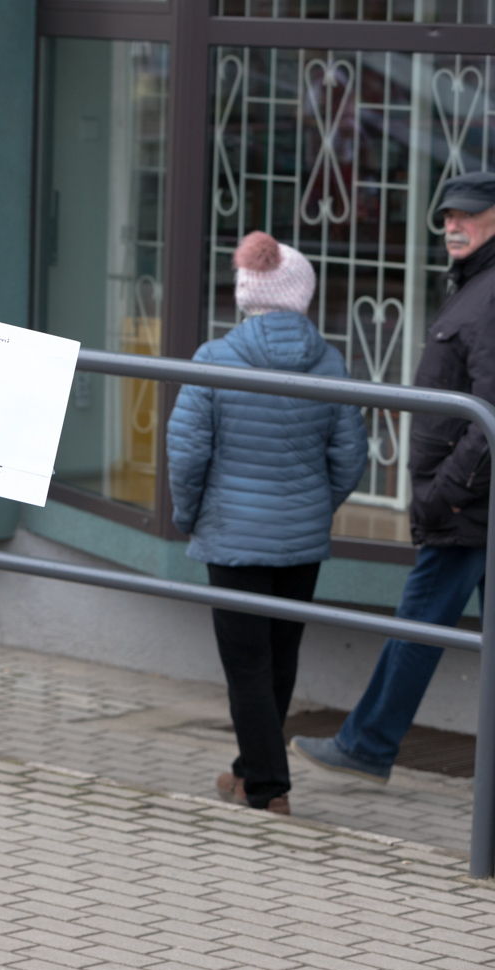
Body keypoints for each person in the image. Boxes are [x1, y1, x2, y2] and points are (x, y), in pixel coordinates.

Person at [291, 172, 495, 784]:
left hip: (465, 504)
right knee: (420, 626)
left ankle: (367, 745)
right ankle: (368, 743)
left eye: (468, 215)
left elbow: (488, 413)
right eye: (447, 216)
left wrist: (445, 494)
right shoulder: (473, 285)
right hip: (466, 501)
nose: (453, 225)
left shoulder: (489, 294)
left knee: (415, 626)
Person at [167, 231, 367, 814]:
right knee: (280, 657)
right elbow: (350, 455)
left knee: (247, 665)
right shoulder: (330, 361)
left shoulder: (215, 357)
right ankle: (247, 769)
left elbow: (187, 454)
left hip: (232, 537)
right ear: (302, 294)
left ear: (246, 292)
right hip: (301, 539)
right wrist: (315, 507)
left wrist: (190, 516)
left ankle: (267, 788)